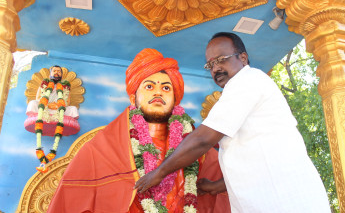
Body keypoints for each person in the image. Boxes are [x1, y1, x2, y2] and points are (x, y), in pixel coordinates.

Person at [135, 33, 331, 213]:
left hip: (284, 201)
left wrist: (159, 173)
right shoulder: (241, 89)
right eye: (210, 64)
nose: (215, 68)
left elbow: (204, 139)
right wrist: (214, 187)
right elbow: (251, 162)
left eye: (221, 59)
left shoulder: (248, 81)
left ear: (243, 58)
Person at [47, 49, 230, 212]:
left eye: (166, 88)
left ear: (175, 100)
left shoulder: (198, 150)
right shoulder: (100, 149)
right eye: (149, 86)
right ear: (133, 97)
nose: (158, 93)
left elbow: (231, 185)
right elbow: (72, 197)